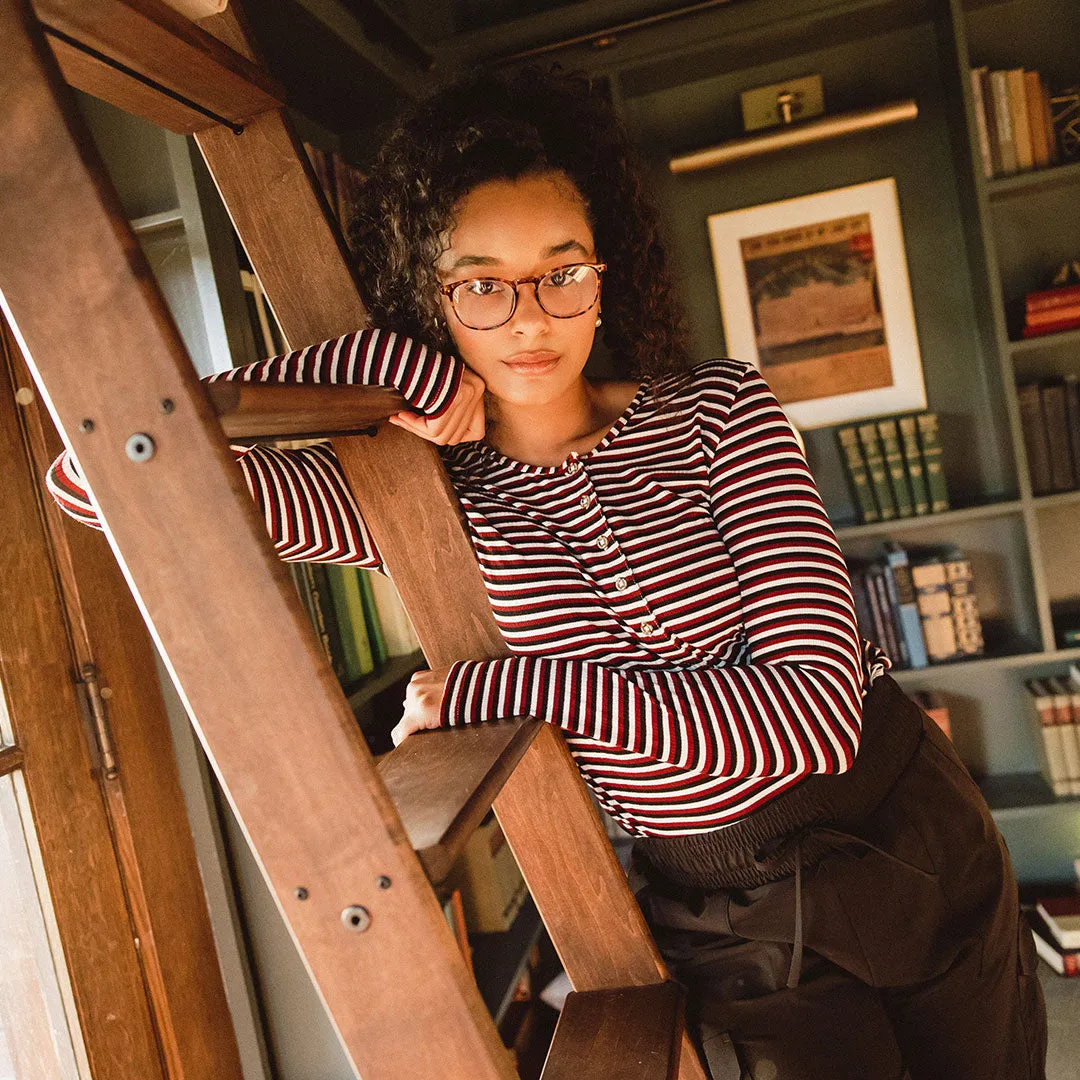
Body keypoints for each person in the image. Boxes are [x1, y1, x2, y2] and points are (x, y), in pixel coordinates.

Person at [47, 64, 1046, 1080]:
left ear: (604, 269)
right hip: (724, 916)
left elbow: (816, 716)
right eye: (481, 284)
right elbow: (95, 477)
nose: (530, 318)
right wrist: (370, 370)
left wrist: (519, 686)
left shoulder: (720, 412)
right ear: (426, 295)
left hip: (904, 830)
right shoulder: (412, 503)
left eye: (561, 272)